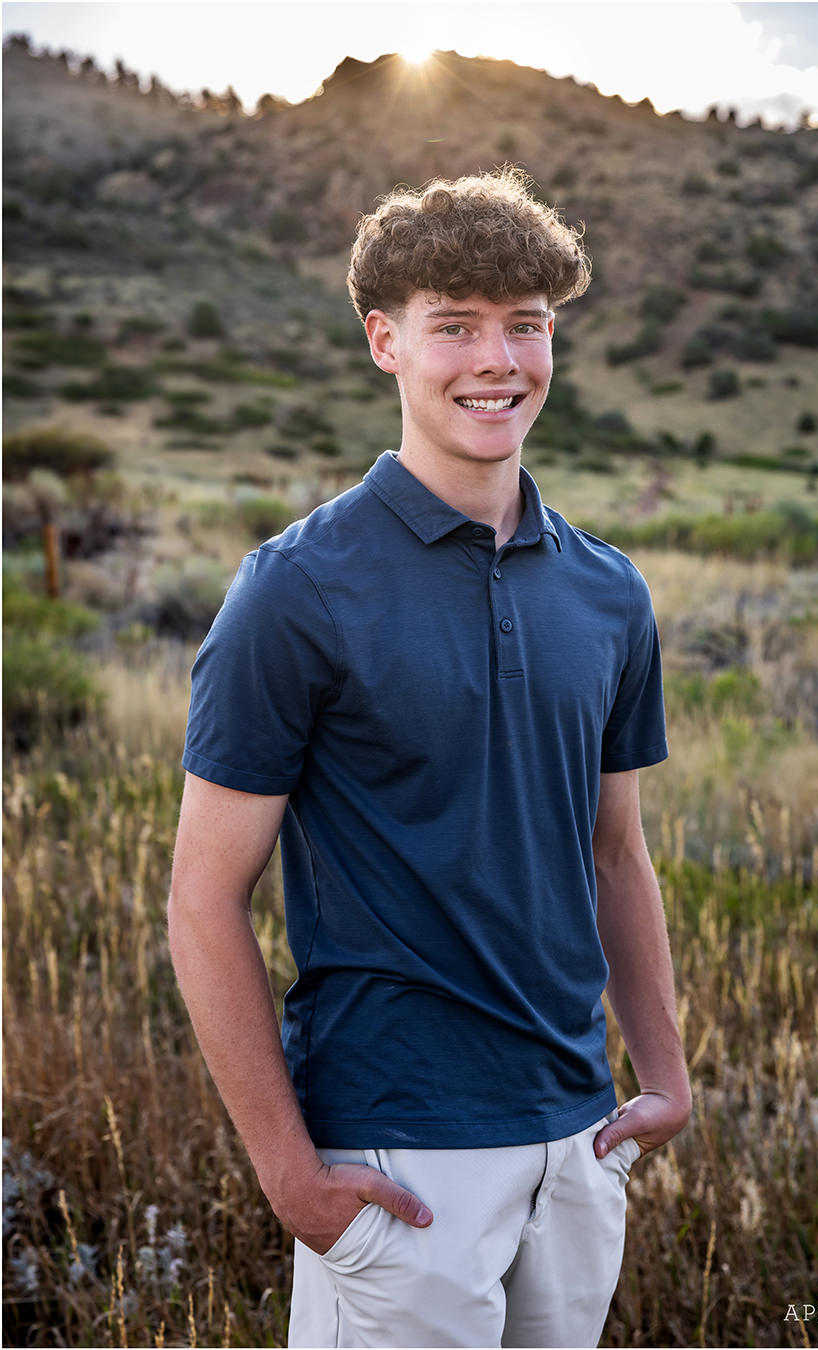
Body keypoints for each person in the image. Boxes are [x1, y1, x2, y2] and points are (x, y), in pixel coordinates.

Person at [168, 167, 691, 1350]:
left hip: (578, 1146)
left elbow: (615, 851)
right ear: (383, 341)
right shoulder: (295, 591)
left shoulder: (609, 591)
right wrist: (292, 1180)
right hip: (398, 1161)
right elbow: (203, 897)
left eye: (526, 325)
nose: (495, 360)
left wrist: (661, 1071)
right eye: (453, 324)